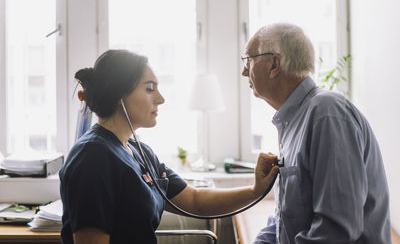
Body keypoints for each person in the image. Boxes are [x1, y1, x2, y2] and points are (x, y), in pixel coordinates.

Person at [59, 49, 279, 244]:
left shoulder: (138, 151)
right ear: (119, 94)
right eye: (149, 88)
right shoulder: (92, 158)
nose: (161, 99)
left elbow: (194, 201)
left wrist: (255, 191)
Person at [241, 23, 391, 244]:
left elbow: (336, 231)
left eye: (249, 60)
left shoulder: (326, 114)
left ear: (274, 64)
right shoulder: (294, 121)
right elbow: (285, 219)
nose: (245, 71)